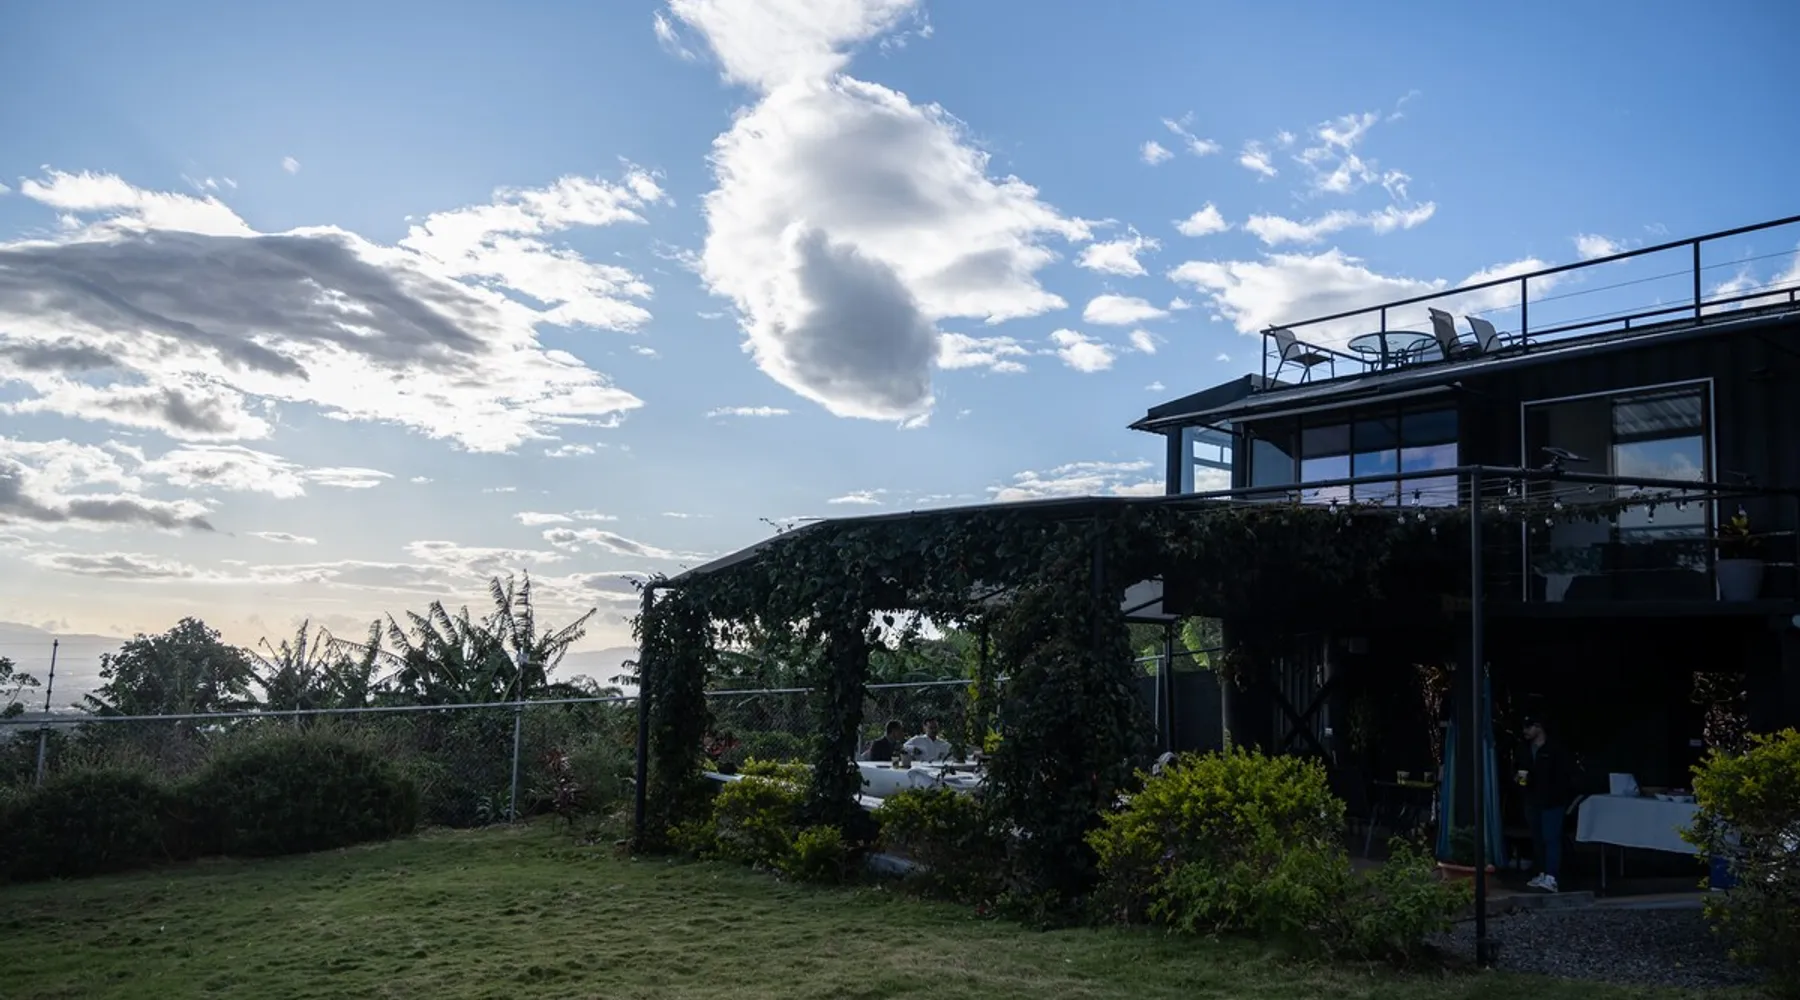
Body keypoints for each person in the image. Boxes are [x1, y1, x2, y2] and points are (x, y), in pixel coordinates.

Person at [1520, 713, 1576, 893]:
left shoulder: (1555, 750)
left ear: (1539, 727)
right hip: (1532, 799)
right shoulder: (1525, 749)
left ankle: (1552, 877)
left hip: (1552, 801)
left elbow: (1565, 776)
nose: (1525, 731)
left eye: (1529, 727)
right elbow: (1519, 769)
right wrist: (1520, 780)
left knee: (1551, 837)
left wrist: (1557, 794)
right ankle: (1542, 872)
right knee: (1537, 838)